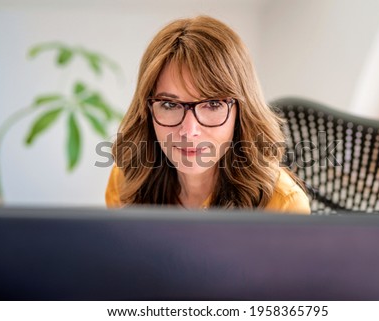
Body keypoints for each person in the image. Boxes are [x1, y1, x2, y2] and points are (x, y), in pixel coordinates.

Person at [105, 15, 310, 214]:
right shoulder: (128, 179)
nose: (189, 131)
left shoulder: (283, 206)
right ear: (146, 110)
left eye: (212, 104)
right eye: (169, 104)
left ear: (241, 112)